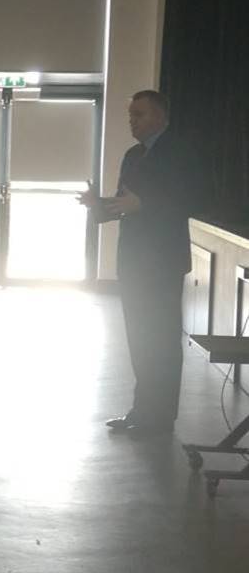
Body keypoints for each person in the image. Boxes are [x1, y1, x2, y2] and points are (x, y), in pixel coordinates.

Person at [80, 90, 202, 438]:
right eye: (130, 114)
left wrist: (144, 205)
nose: (132, 120)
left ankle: (161, 418)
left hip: (162, 262)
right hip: (133, 261)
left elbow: (190, 199)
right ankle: (141, 410)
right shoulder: (133, 155)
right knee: (139, 338)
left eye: (140, 114)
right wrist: (97, 204)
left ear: (161, 117)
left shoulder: (180, 152)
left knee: (161, 339)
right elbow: (125, 205)